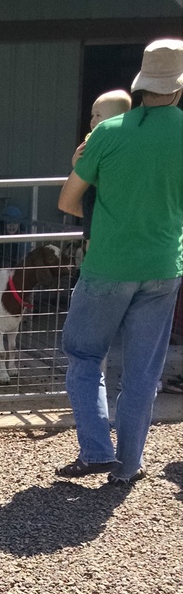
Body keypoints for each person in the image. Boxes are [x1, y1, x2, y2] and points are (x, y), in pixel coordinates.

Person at [56, 39, 183, 483]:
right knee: (143, 373)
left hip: (107, 267)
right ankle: (127, 468)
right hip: (164, 267)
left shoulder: (107, 134)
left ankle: (96, 449)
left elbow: (69, 201)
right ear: (179, 88)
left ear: (141, 83)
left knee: (85, 356)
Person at [72, 89, 133, 249]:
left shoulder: (117, 146)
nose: (92, 121)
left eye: (98, 116)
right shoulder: (94, 141)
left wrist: (77, 166)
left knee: (93, 244)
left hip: (103, 209)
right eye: (92, 115)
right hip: (98, 210)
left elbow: (103, 177)